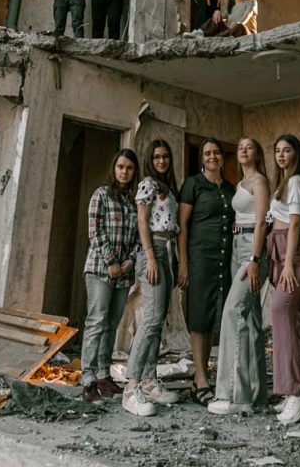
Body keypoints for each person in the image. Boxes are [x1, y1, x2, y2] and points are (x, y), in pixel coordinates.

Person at [208, 137, 270, 415]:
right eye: (241, 146)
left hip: (252, 249)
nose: (244, 150)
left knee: (233, 312)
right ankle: (257, 395)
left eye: (250, 147)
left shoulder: (259, 181)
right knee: (251, 319)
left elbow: (261, 222)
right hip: (237, 246)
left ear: (257, 154)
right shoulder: (240, 184)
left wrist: (255, 259)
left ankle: (234, 394)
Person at [123, 139, 180, 417]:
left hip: (167, 251)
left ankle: (148, 381)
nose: (161, 161)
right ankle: (130, 386)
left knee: (158, 322)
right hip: (153, 251)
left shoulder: (167, 187)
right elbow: (142, 222)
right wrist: (150, 256)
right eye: (156, 157)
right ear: (150, 159)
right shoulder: (147, 184)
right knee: (151, 318)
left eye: (165, 157)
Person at [178, 138, 235, 406]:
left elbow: (250, 217)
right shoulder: (193, 184)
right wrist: (184, 263)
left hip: (224, 259)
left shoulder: (230, 188)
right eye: (207, 153)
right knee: (198, 314)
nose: (212, 157)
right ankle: (201, 379)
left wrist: (269, 220)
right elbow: (183, 226)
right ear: (202, 158)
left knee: (214, 313)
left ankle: (202, 376)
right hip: (200, 257)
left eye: (216, 153)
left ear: (222, 158)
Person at [81, 148, 140, 404]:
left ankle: (104, 375)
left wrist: (129, 261)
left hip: (124, 274)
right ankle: (88, 380)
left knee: (112, 324)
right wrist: (111, 261)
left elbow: (139, 237)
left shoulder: (133, 201)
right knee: (96, 321)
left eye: (129, 168)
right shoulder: (101, 195)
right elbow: (95, 232)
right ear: (114, 169)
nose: (124, 172)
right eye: (120, 167)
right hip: (99, 269)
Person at [268, 134, 300, 424]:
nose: (281, 155)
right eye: (277, 151)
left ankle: (296, 393)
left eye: (287, 151)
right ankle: (298, 390)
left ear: (297, 154)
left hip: (293, 254)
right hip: (283, 249)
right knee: (292, 318)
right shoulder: (283, 183)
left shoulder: (296, 181)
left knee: (280, 311)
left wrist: (287, 265)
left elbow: (296, 224)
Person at [190, 0, 258, 38]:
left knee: (240, 27)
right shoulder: (231, 7)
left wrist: (238, 23)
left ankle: (216, 37)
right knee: (215, 19)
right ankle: (200, 33)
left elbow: (248, 15)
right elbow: (222, 16)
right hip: (230, 32)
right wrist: (217, 12)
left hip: (246, 33)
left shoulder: (251, 2)